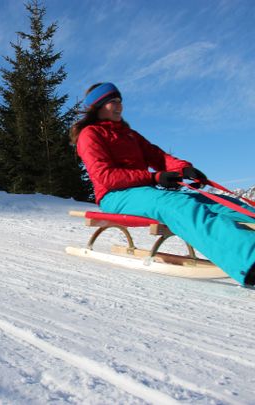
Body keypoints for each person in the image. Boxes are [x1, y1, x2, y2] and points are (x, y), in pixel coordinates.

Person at [70, 82, 255, 286]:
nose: (119, 106)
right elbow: (105, 176)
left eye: (120, 101)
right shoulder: (90, 135)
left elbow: (159, 157)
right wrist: (153, 178)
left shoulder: (130, 135)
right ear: (97, 107)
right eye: (112, 102)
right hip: (115, 195)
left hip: (145, 191)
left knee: (216, 202)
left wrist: (184, 169)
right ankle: (249, 258)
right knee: (179, 206)